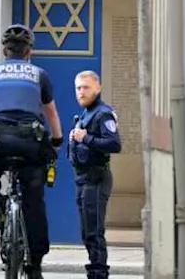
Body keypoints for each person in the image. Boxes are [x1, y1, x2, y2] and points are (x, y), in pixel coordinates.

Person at [0, 24, 62, 278]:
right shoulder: (39, 74)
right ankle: (36, 266)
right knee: (34, 202)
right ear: (29, 51)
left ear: (4, 51)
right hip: (30, 141)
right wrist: (58, 139)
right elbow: (50, 112)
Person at [68, 70, 121, 279]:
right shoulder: (85, 114)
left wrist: (85, 137)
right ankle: (95, 270)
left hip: (96, 178)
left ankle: (99, 274)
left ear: (98, 88)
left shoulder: (103, 113)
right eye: (78, 88)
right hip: (83, 178)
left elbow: (114, 144)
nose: (81, 92)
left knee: (94, 232)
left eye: (86, 87)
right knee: (87, 232)